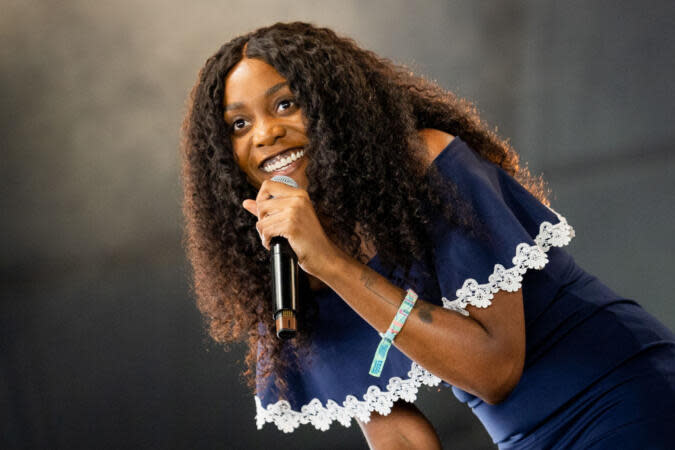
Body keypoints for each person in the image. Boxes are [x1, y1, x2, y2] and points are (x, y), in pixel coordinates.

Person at [180, 22, 675, 449]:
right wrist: (319, 262)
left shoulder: (428, 165)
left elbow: (494, 371)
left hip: (624, 395)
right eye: (239, 123)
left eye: (285, 104)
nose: (264, 134)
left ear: (332, 105)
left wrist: (332, 263)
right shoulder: (290, 257)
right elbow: (397, 435)